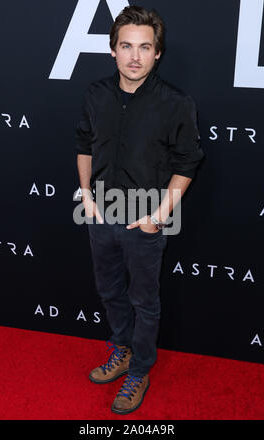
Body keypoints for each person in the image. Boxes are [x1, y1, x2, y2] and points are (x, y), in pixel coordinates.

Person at [75, 5, 204, 415]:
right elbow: (83, 144)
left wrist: (158, 214)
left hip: (144, 218)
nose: (135, 56)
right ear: (112, 51)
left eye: (145, 47)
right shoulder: (95, 94)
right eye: (126, 46)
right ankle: (123, 351)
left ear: (157, 53)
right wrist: (86, 194)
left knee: (144, 301)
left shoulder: (175, 103)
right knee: (110, 291)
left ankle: (140, 370)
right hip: (100, 214)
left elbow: (188, 163)